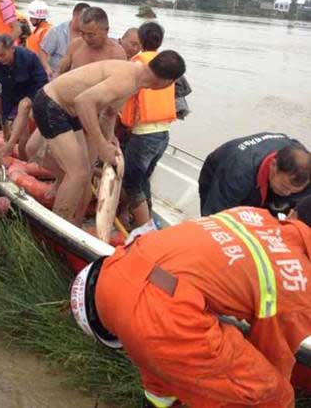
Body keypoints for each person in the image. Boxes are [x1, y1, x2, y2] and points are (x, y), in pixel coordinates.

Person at [71, 198, 311, 407]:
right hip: (163, 312)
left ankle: (156, 402)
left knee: (170, 359)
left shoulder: (251, 215)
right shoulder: (301, 283)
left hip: (116, 270)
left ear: (292, 214)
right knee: (271, 393)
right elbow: (272, 353)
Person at [32, 52, 186, 224]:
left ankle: (73, 219)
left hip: (69, 110)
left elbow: (110, 113)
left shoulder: (137, 79)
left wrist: (110, 138)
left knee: (86, 169)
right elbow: (84, 102)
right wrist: (102, 146)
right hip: (51, 104)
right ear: (167, 82)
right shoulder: (127, 80)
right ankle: (57, 225)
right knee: (78, 173)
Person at [119, 22, 175, 232]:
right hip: (162, 134)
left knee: (132, 183)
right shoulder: (166, 64)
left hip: (143, 134)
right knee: (143, 180)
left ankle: (146, 232)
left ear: (140, 40)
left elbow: (125, 97)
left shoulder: (138, 63)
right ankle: (146, 218)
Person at [199, 133, 311, 216]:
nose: (287, 193)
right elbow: (215, 217)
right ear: (273, 165)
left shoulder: (304, 171)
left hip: (265, 180)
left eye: (293, 191)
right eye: (284, 187)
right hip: (222, 173)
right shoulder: (238, 171)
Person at [58, 7, 126, 73]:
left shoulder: (117, 54)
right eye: (82, 33)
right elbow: (60, 73)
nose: (86, 38)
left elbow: (122, 82)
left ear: (106, 30)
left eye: (90, 35)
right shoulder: (75, 45)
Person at [40, 2, 90, 76]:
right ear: (74, 15)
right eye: (83, 19)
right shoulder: (56, 32)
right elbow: (43, 52)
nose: (85, 23)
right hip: (56, 76)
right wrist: (47, 68)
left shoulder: (89, 35)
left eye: (87, 20)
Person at [25, 0, 52, 75]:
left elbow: (47, 55)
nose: (30, 19)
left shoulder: (46, 31)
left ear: (39, 18)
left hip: (38, 70)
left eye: (32, 17)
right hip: (32, 68)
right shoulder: (38, 29)